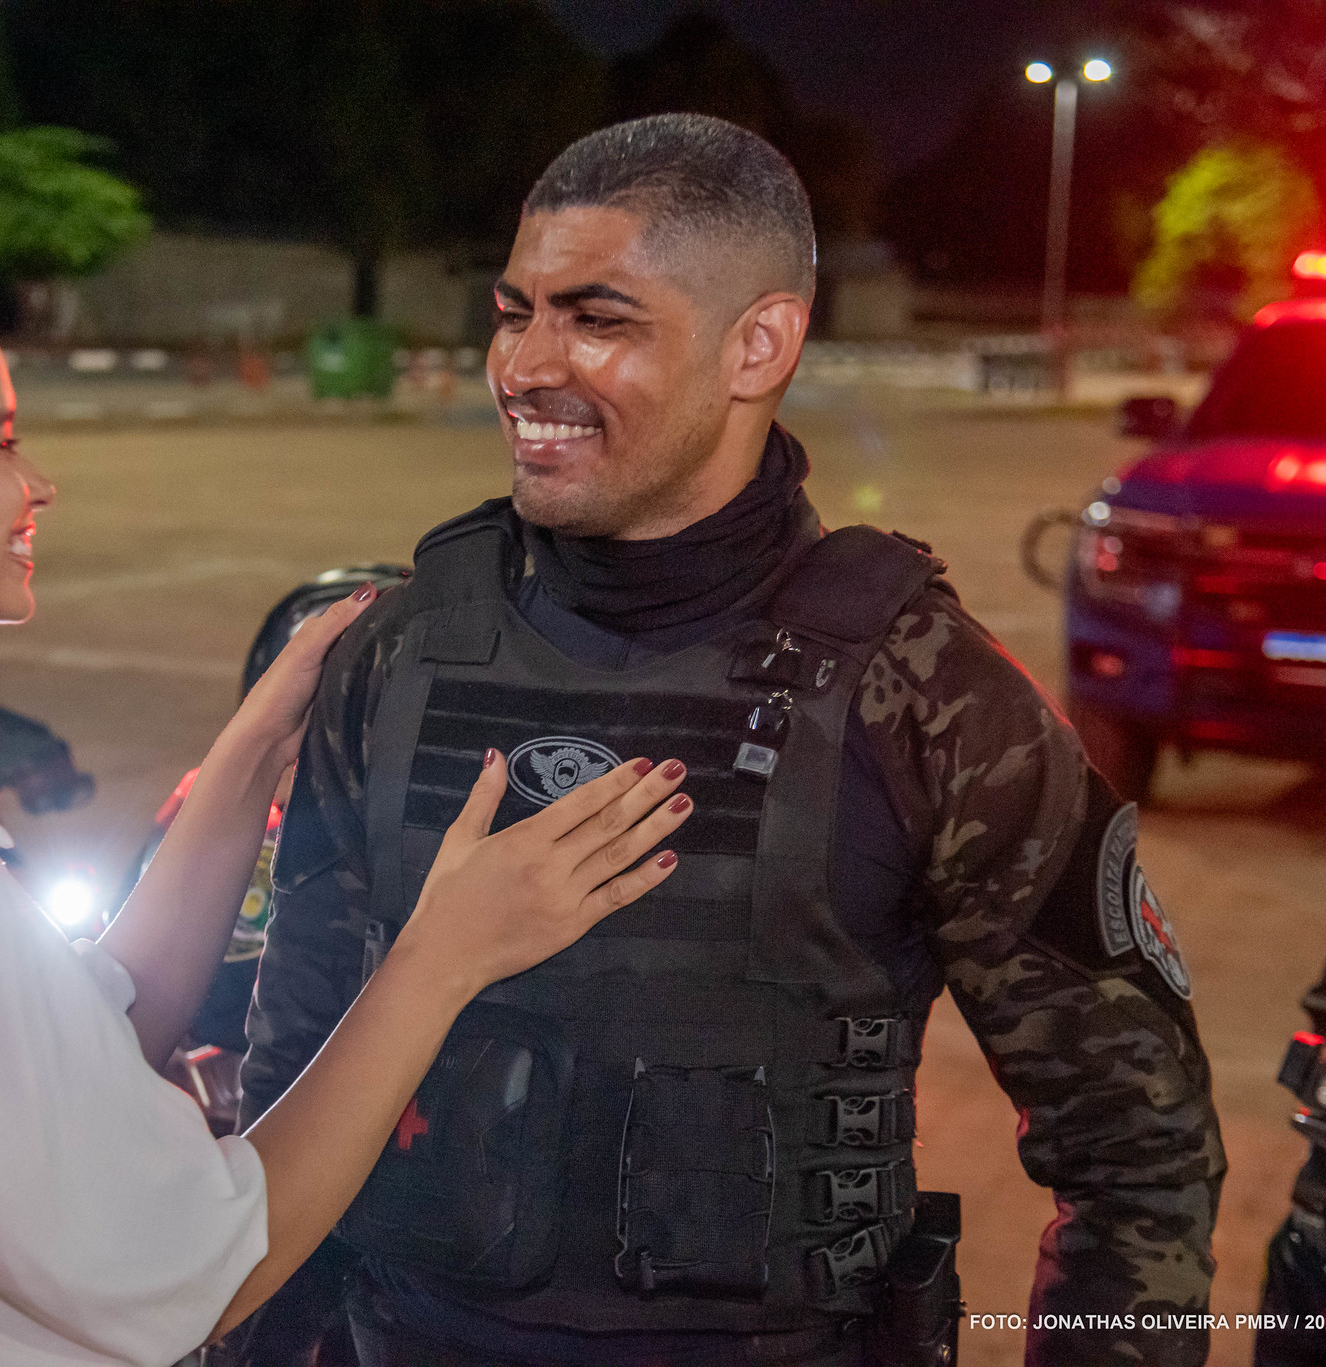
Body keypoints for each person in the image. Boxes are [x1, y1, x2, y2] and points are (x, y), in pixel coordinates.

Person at [0, 245, 696, 1367]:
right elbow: (204, 1255)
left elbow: (79, 1051)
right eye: (0, 440)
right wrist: (445, 954)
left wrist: (249, 751)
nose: (36, 485)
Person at [239, 114, 1226, 1367]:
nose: (524, 364)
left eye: (596, 320)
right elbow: (286, 1065)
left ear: (756, 343)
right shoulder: (398, 654)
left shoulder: (920, 693)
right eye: (512, 310)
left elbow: (1136, 1149)